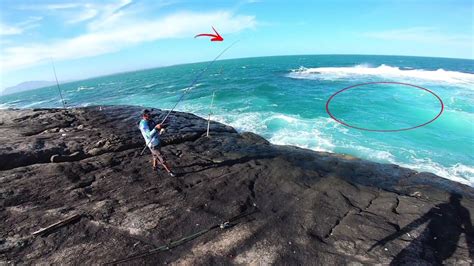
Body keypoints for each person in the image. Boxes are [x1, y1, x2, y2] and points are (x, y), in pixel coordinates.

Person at [139, 109, 175, 177]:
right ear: (144, 116)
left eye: (150, 113)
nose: (150, 115)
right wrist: (156, 128)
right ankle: (170, 172)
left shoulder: (151, 120)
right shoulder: (143, 124)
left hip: (157, 141)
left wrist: (161, 129)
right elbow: (149, 135)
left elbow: (157, 128)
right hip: (152, 144)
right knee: (162, 158)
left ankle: (154, 167)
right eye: (148, 114)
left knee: (154, 155)